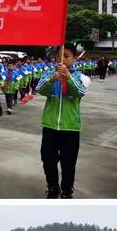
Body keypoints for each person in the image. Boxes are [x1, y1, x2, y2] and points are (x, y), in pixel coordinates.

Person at [36, 43, 89, 199]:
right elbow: (40, 89)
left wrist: (68, 76)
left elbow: (80, 92)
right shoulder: (49, 75)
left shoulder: (80, 77)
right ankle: (53, 187)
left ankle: (67, 190)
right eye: (59, 56)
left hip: (70, 127)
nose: (62, 59)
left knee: (68, 163)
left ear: (74, 58)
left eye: (66, 56)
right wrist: (53, 79)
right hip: (50, 126)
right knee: (47, 159)